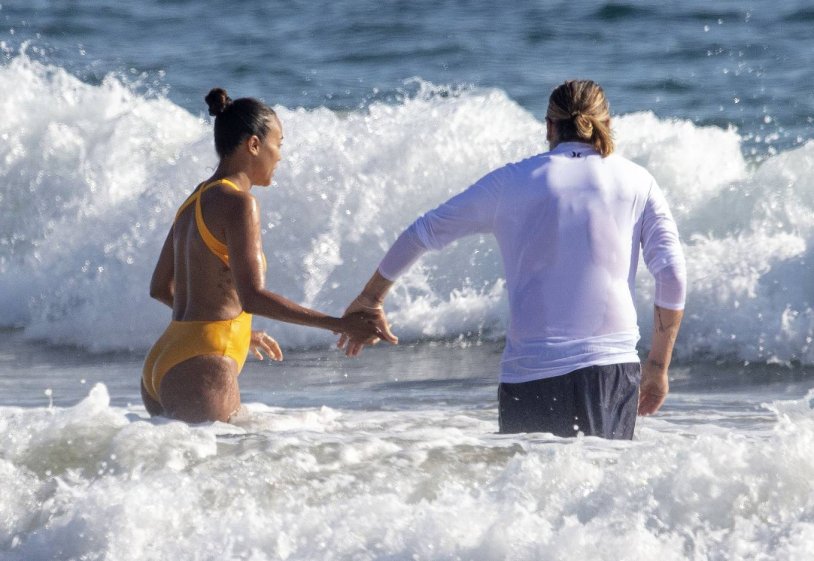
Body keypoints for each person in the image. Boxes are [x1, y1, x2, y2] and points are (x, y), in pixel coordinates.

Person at [338, 80, 686, 439]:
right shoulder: (638, 181)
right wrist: (658, 367)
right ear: (607, 124)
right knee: (600, 488)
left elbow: (423, 231)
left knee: (528, 491)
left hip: (529, 374)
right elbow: (672, 275)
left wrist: (371, 297)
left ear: (549, 127)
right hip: (610, 371)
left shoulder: (510, 182)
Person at [143, 88, 390, 423]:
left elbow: (160, 287)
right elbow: (253, 297)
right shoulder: (240, 203)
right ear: (254, 145)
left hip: (165, 356)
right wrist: (340, 324)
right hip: (203, 364)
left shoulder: (194, 199)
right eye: (279, 143)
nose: (280, 156)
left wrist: (239, 332)